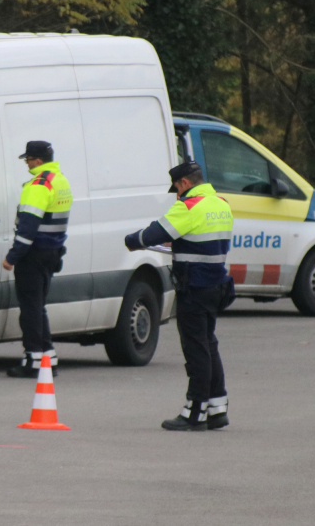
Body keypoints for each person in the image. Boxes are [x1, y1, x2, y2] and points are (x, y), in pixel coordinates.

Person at [124, 161, 234, 431]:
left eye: (176, 188)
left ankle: (195, 411)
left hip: (194, 286)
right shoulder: (221, 203)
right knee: (208, 344)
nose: (176, 194)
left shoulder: (189, 206)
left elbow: (154, 233)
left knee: (195, 348)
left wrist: (131, 239)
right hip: (216, 283)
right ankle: (217, 408)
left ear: (184, 183)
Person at [1, 141, 73, 378]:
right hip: (52, 252)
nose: (27, 164)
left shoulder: (38, 185)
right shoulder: (60, 181)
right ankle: (47, 357)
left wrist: (12, 256)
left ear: (37, 161)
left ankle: (33, 359)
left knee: (30, 309)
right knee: (38, 307)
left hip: (33, 255)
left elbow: (28, 226)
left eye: (28, 160)